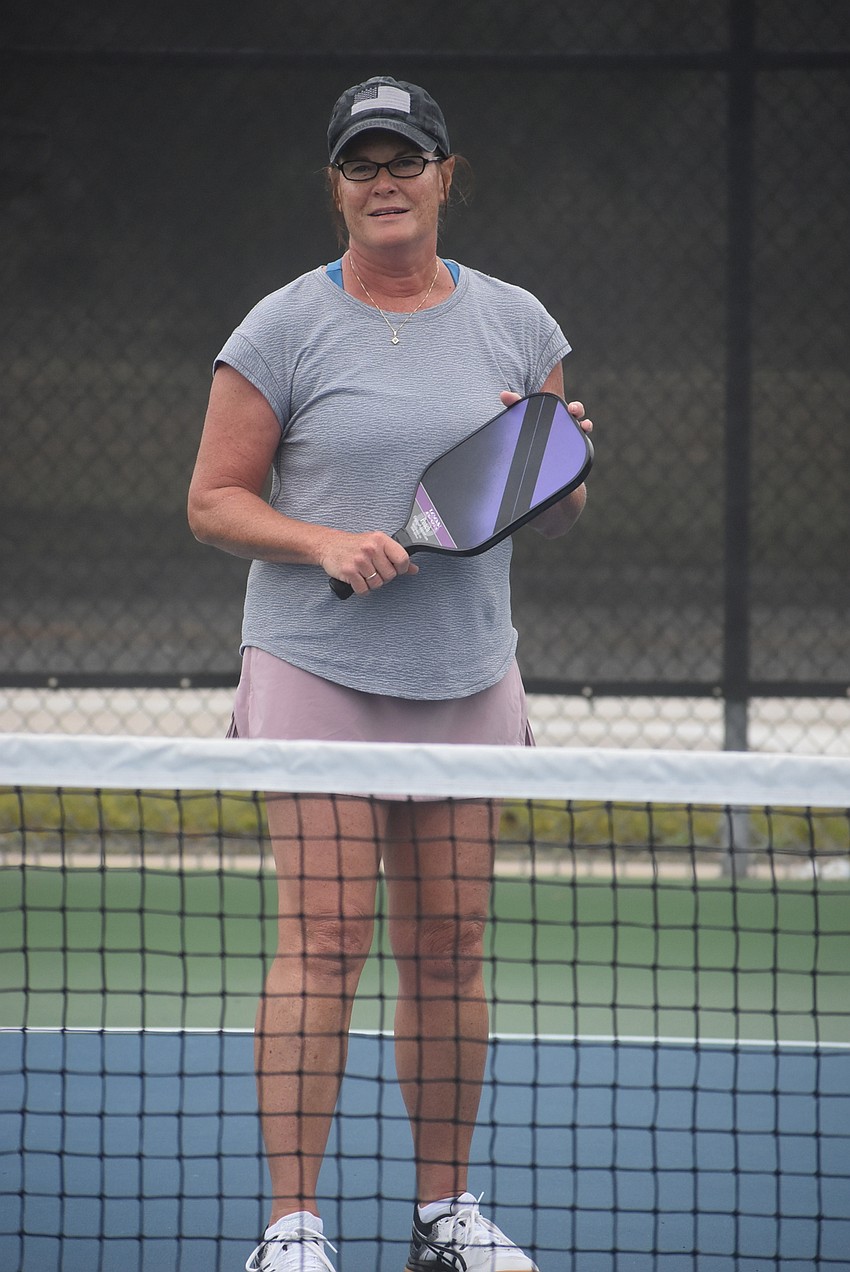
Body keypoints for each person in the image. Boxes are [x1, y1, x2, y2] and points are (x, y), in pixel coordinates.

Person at [188, 75, 593, 1272]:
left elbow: (549, 503)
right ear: (336, 190)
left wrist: (556, 467)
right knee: (323, 940)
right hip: (315, 666)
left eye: (404, 161)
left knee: (451, 945)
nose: (385, 184)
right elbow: (212, 502)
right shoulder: (282, 328)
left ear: (445, 176)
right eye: (361, 166)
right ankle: (293, 1226)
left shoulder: (520, 324)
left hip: (466, 670)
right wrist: (322, 542)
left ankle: (444, 1215)